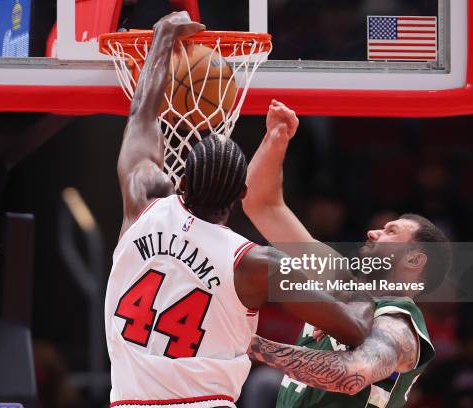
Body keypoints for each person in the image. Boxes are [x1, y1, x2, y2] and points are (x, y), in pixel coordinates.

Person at [104, 12, 373, 408]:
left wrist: (162, 38)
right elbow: (354, 329)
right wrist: (368, 298)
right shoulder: (254, 263)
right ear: (241, 192)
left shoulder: (142, 204)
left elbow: (140, 115)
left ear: (183, 179)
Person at [243, 100, 452, 408]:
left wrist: (246, 343)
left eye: (390, 231)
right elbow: (262, 205)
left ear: (414, 259)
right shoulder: (338, 279)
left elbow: (349, 375)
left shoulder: (400, 321)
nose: (373, 232)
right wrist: (275, 140)